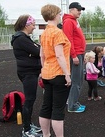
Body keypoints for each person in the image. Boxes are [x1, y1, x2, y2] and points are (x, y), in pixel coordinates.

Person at [39, 4, 71, 137]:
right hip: (58, 74)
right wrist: (67, 74)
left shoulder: (44, 32)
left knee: (46, 107)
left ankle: (46, 135)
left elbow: (42, 55)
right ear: (54, 15)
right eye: (59, 13)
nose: (60, 15)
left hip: (47, 73)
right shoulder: (57, 32)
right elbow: (59, 55)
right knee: (58, 109)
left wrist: (43, 69)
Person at [11, 14, 42, 137]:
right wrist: (35, 53)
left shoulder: (24, 37)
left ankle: (28, 124)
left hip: (30, 71)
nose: (34, 27)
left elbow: (36, 49)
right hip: (28, 72)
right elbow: (38, 51)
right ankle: (26, 129)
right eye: (33, 25)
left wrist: (35, 53)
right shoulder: (21, 38)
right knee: (29, 100)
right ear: (26, 25)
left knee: (31, 99)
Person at [62, 2, 86, 113]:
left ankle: (74, 102)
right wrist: (74, 55)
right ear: (71, 10)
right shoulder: (68, 22)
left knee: (79, 80)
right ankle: (72, 106)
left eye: (81, 10)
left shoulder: (74, 21)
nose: (80, 12)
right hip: (75, 54)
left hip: (79, 53)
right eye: (78, 9)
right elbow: (68, 40)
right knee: (76, 81)